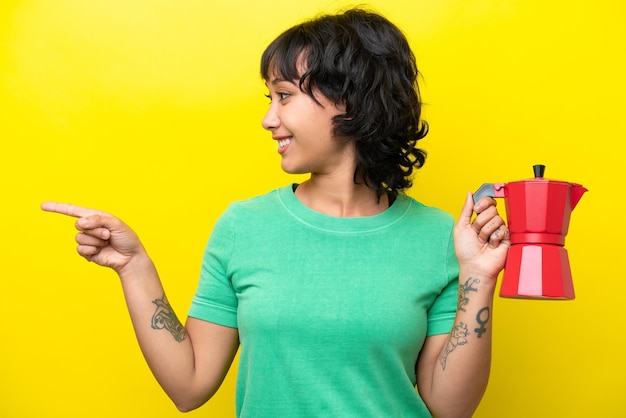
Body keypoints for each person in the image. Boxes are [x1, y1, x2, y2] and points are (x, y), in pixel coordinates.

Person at [42, 8, 509, 418]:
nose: (269, 118)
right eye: (270, 98)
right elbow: (189, 386)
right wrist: (133, 265)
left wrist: (478, 276)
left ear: (350, 99)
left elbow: (451, 407)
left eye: (284, 95)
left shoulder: (438, 237)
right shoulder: (244, 227)